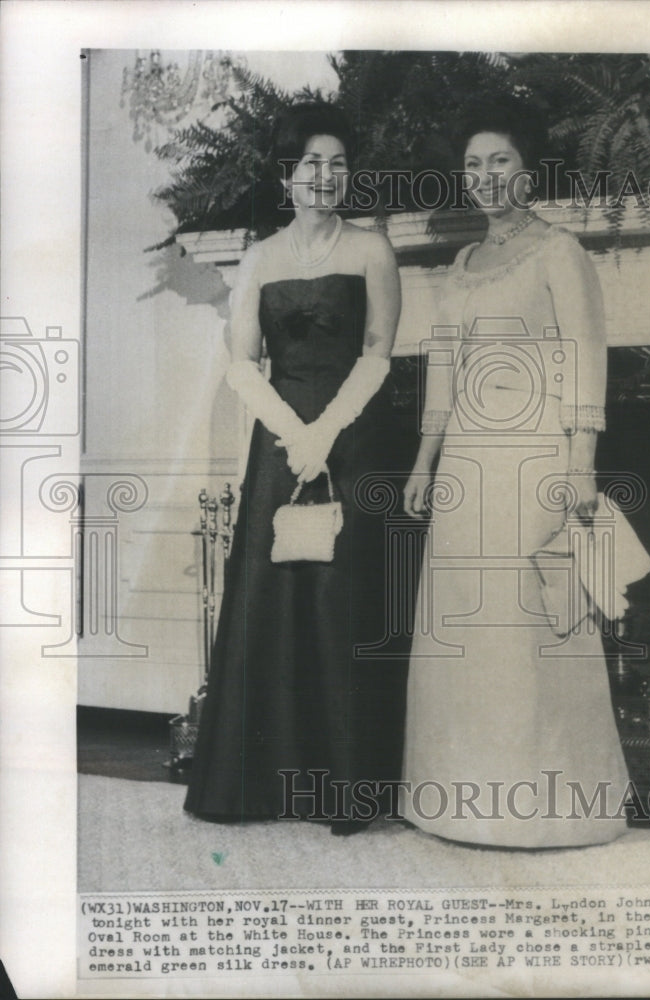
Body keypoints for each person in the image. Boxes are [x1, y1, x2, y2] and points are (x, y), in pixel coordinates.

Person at [401, 102, 631, 847]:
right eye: (474, 166)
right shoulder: (462, 267)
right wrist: (423, 463)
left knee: (529, 621)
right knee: (462, 628)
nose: (486, 177)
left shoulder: (558, 252)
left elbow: (585, 354)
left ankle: (549, 808)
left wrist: (582, 462)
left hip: (535, 459)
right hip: (465, 464)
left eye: (499, 162)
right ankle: (458, 802)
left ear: (526, 170)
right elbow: (443, 369)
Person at [184, 102, 405, 832]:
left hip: (352, 437)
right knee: (273, 604)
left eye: (338, 163)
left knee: (340, 603)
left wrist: (327, 434)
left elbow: (378, 352)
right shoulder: (259, 258)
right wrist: (292, 435)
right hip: (280, 445)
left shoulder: (373, 249)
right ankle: (262, 785)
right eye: (312, 162)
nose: (325, 175)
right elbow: (242, 364)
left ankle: (345, 791)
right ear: (288, 174)